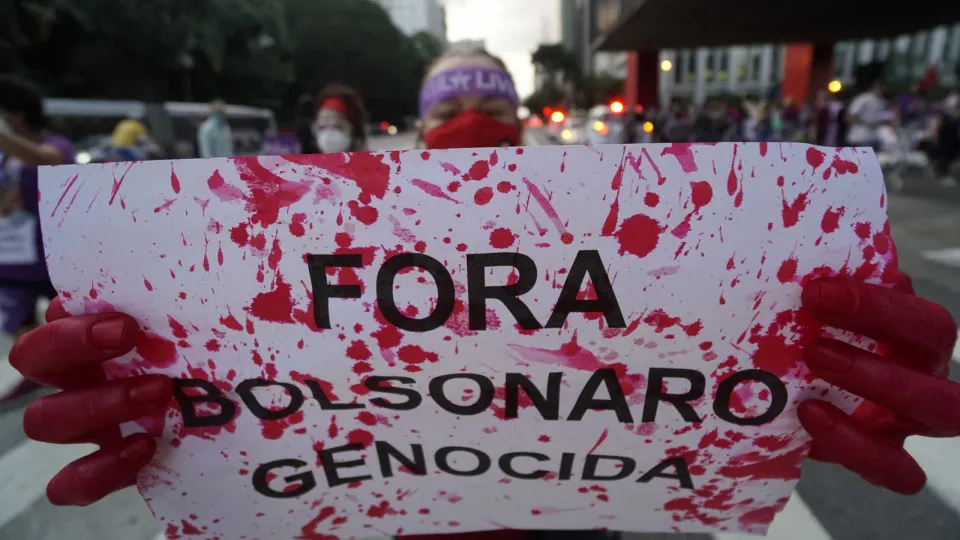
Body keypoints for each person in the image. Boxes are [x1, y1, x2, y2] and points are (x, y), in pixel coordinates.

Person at [8, 47, 960, 540]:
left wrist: (826, 381)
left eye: (497, 116)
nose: (474, 134)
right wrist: (156, 369)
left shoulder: (628, 233)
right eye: (451, 118)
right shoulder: (310, 236)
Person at [0, 75, 74, 403]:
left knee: (74, 315)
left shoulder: (57, 144)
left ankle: (82, 369)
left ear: (15, 113)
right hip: (13, 256)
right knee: (18, 321)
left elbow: (47, 159)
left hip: (53, 254)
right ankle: (40, 372)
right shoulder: (4, 158)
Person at [314, 83, 368, 153]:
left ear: (352, 128)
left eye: (337, 127)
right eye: (322, 127)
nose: (329, 134)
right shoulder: (308, 163)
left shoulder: (369, 161)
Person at [845, 79, 890, 150]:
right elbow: (850, 117)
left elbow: (884, 118)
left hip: (874, 138)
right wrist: (867, 123)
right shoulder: (863, 99)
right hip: (859, 137)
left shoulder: (882, 102)